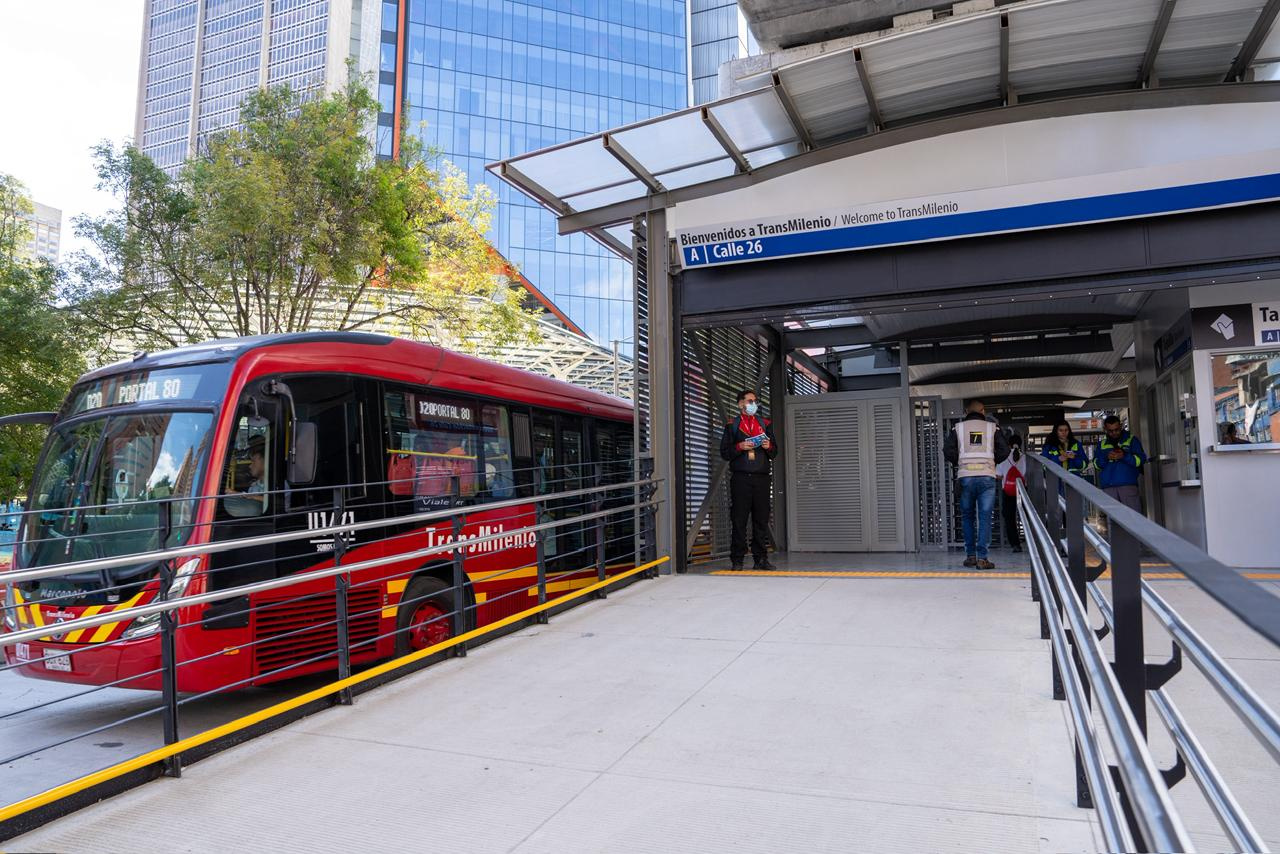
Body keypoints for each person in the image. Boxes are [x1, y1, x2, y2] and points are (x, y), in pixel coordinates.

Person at [944, 400, 1010, 569]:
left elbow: (948, 450)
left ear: (966, 412)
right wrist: (991, 463)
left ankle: (970, 556)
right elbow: (1004, 450)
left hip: (965, 477)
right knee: (985, 517)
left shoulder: (957, 428)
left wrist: (960, 463)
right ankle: (982, 558)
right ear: (983, 410)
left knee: (967, 517)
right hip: (986, 477)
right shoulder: (992, 428)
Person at [719, 389, 778, 571]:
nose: (753, 404)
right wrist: (740, 446)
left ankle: (760, 559)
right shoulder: (732, 425)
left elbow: (775, 452)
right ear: (740, 404)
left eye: (755, 401)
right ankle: (737, 560)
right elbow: (725, 453)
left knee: (761, 520)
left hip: (761, 478)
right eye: (750, 401)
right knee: (739, 520)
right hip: (741, 479)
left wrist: (769, 446)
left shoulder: (765, 424)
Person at [1094, 415, 1145, 512]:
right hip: (1108, 488)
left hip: (1128, 486)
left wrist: (1124, 456)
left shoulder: (1132, 440)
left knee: (1133, 520)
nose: (1114, 433)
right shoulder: (1102, 444)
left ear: (1121, 426)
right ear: (1105, 429)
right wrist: (1106, 457)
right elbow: (1096, 464)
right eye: (1110, 431)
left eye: (1116, 430)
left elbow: (1141, 460)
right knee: (1113, 523)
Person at [996, 431, 1025, 552]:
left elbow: (998, 475)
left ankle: (1015, 544)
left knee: (1009, 518)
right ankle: (1032, 541)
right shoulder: (1025, 457)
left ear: (1009, 445)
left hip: (1008, 491)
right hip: (1023, 491)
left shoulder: (1003, 457)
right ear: (1021, 444)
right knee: (1026, 517)